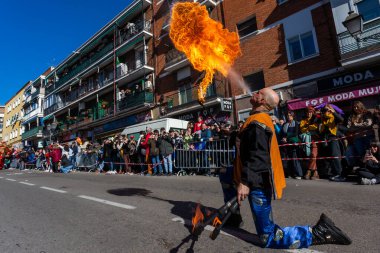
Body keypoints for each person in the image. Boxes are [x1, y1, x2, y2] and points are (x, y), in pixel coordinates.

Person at [236, 88, 351, 249]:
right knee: (225, 175)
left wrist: (245, 182)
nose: (255, 92)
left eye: (259, 92)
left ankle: (317, 232)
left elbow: (258, 156)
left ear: (262, 101)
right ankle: (231, 217)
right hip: (257, 180)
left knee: (267, 237)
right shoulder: (256, 120)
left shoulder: (258, 122)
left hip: (258, 184)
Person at [300, 106, 320, 180]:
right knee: (310, 155)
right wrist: (309, 127)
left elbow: (315, 127)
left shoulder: (316, 118)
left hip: (315, 139)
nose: (309, 113)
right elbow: (302, 129)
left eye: (311, 112)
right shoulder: (303, 120)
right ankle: (315, 172)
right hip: (306, 140)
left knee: (313, 154)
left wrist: (308, 127)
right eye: (308, 112)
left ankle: (309, 170)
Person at [282, 111, 303, 179]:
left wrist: (286, 137)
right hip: (286, 144)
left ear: (293, 116)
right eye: (288, 115)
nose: (288, 117)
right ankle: (290, 173)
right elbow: (282, 133)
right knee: (289, 159)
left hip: (294, 143)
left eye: (290, 115)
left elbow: (295, 133)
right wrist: (283, 138)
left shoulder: (296, 123)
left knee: (295, 158)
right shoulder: (285, 124)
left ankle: (298, 174)